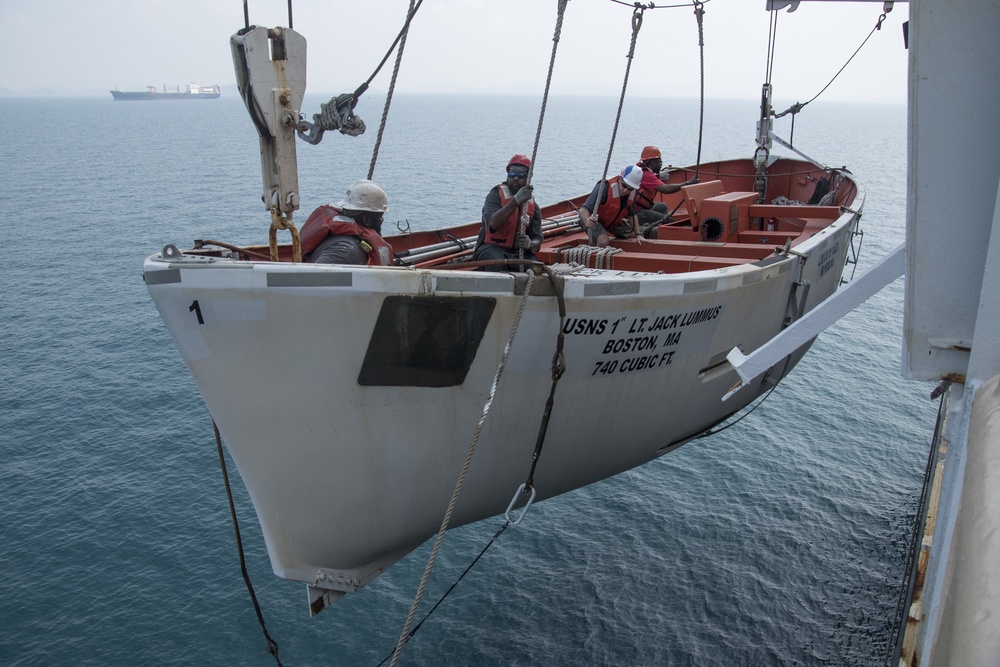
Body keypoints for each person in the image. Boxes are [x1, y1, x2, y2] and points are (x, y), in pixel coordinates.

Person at [471, 154, 543, 271]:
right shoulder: (495, 196)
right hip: (492, 248)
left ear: (528, 178)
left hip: (519, 253)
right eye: (512, 174)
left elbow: (537, 239)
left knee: (535, 269)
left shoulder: (533, 206)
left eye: (521, 175)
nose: (515, 178)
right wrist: (516, 200)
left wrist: (530, 244)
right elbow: (493, 224)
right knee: (496, 264)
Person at [300, 179, 394, 266]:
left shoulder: (344, 240)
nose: (382, 221)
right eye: (380, 217)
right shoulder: (346, 250)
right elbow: (313, 280)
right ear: (367, 220)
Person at [633, 145, 698, 238]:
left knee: (662, 207)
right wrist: (688, 183)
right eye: (660, 161)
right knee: (669, 220)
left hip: (638, 207)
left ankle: (657, 227)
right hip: (635, 212)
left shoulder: (642, 171)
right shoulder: (646, 175)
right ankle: (653, 233)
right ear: (653, 162)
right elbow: (666, 189)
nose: (661, 164)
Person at [577, 164, 644, 247]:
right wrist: (588, 221)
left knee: (633, 235)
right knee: (603, 240)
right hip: (592, 220)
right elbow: (583, 210)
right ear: (620, 178)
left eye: (630, 189)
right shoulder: (604, 187)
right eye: (624, 185)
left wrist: (638, 234)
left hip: (612, 222)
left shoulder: (633, 194)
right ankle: (597, 257)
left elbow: (632, 214)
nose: (625, 190)